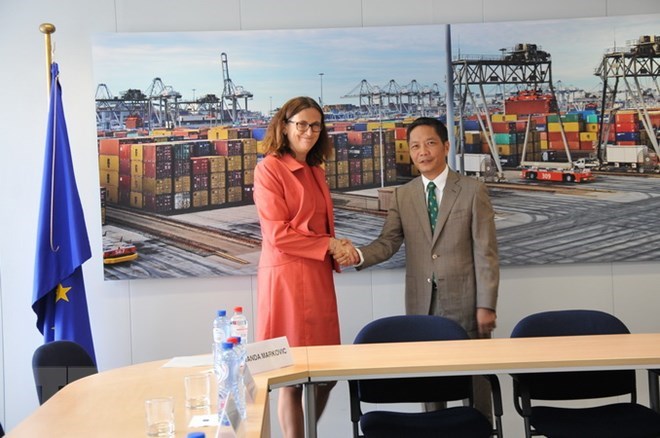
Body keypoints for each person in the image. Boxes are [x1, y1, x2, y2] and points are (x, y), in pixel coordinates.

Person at [338, 116, 499, 417]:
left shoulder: (472, 190)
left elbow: (486, 252)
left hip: (467, 303)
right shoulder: (404, 195)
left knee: (477, 383)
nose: (422, 152)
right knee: (430, 382)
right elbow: (388, 242)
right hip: (422, 304)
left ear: (446, 146)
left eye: (430, 143)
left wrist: (486, 305)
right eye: (414, 146)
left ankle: (482, 430)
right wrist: (356, 255)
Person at [253, 96, 354, 438]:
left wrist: (338, 245)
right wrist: (329, 245)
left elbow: (319, 227)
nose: (309, 132)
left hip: (317, 276)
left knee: (327, 372)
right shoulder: (269, 168)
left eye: (316, 126)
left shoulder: (315, 170)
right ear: (284, 126)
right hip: (285, 279)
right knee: (290, 376)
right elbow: (277, 233)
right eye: (301, 125)